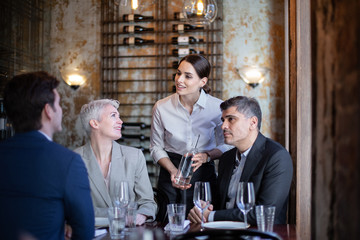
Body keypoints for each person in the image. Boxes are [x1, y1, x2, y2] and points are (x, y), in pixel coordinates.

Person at [0, 71, 94, 240]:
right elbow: (85, 232)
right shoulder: (68, 162)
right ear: (48, 111)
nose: (62, 110)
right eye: (58, 104)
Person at [188, 96, 293, 225]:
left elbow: (265, 213)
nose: (223, 126)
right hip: (223, 232)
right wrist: (202, 209)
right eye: (223, 120)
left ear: (253, 123)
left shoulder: (277, 156)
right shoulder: (226, 158)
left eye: (231, 119)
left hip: (259, 234)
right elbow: (220, 202)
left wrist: (211, 215)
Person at [150, 54, 232, 214]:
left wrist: (207, 155)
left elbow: (227, 145)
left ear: (203, 81)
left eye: (188, 76)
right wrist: (173, 171)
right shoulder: (161, 107)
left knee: (201, 224)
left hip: (203, 172)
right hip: (170, 171)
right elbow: (155, 147)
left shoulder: (217, 108)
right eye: (178, 73)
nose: (179, 80)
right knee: (168, 224)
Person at [74, 99, 157, 225]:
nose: (121, 121)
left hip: (128, 233)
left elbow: (147, 202)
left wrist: (142, 214)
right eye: (113, 116)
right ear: (95, 123)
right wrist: (121, 214)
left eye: (119, 116)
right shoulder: (74, 159)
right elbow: (75, 208)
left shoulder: (134, 156)